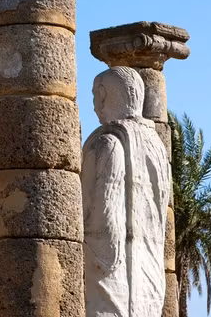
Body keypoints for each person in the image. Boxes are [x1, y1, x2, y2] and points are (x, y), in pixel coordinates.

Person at [82, 66, 170, 317]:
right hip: (150, 277)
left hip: (111, 273)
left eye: (94, 96)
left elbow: (100, 214)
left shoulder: (106, 142)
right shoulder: (157, 146)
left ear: (102, 95)